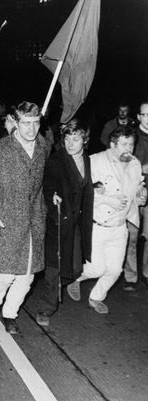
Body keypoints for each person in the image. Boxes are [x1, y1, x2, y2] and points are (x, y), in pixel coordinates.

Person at [0, 101, 49, 334]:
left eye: (36, 123)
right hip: (5, 221)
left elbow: (42, 182)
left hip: (34, 222)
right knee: (5, 274)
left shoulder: (43, 146)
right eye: (26, 123)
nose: (31, 129)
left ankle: (10, 313)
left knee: (27, 276)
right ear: (15, 122)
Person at [66, 126, 147, 314]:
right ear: (112, 145)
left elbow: (136, 190)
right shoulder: (94, 162)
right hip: (97, 225)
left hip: (120, 227)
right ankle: (74, 279)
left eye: (131, 145)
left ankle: (96, 297)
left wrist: (141, 196)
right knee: (96, 269)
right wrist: (107, 199)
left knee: (114, 270)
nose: (129, 149)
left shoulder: (134, 163)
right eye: (124, 145)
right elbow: (80, 193)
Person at [36, 120, 94, 326]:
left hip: (77, 222)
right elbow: (48, 183)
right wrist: (53, 196)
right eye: (67, 138)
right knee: (55, 266)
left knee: (76, 264)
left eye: (75, 139)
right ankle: (46, 308)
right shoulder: (57, 160)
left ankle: (70, 281)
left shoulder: (87, 160)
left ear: (84, 140)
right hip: (58, 221)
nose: (70, 143)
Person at [122, 101, 148, 291]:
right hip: (134, 193)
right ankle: (130, 276)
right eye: (145, 114)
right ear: (139, 116)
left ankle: (147, 274)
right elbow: (123, 164)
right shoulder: (131, 137)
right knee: (131, 237)